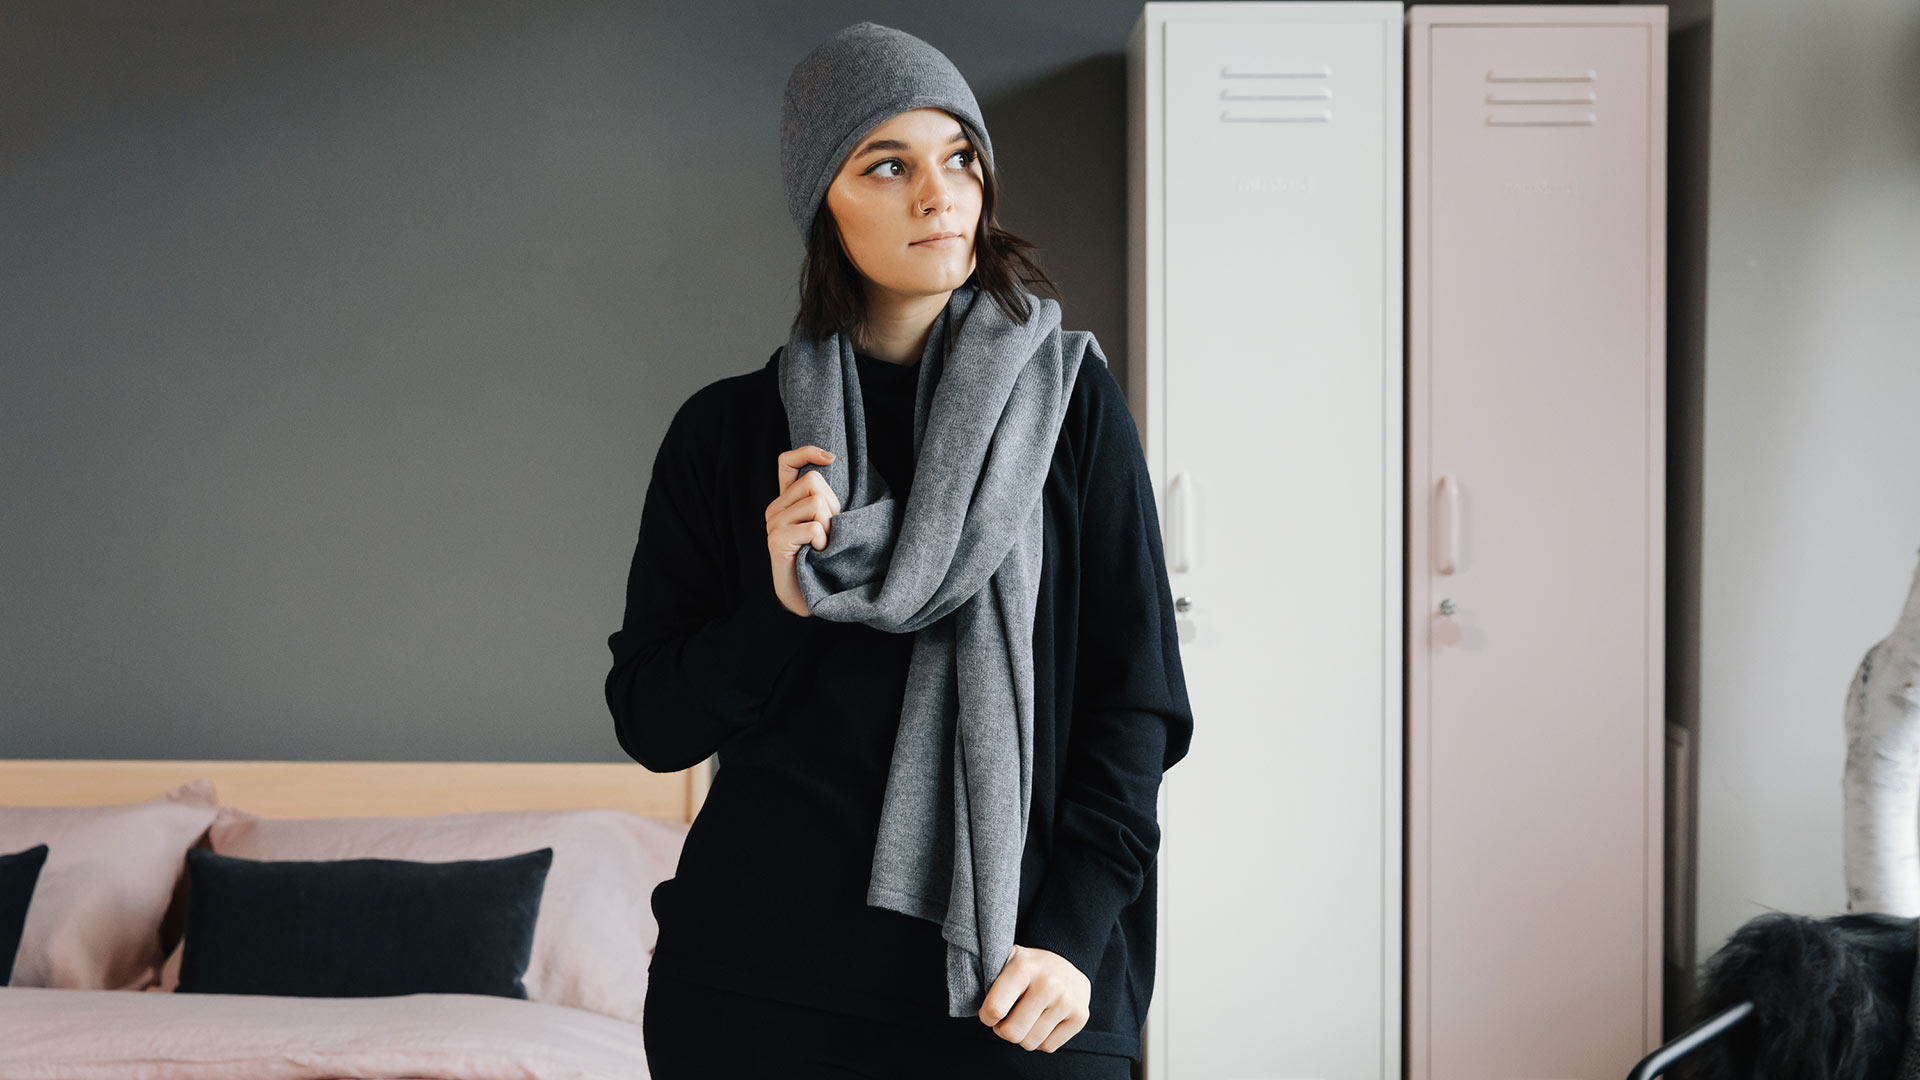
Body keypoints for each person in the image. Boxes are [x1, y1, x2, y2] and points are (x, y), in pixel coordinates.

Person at [605, 21, 1193, 1079]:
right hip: (756, 989)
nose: (942, 193)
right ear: (822, 201)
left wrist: (1073, 932)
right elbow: (652, 721)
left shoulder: (1067, 409)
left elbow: (1135, 701)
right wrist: (776, 611)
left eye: (959, 157)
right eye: (889, 164)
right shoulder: (732, 434)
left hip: (1013, 982)